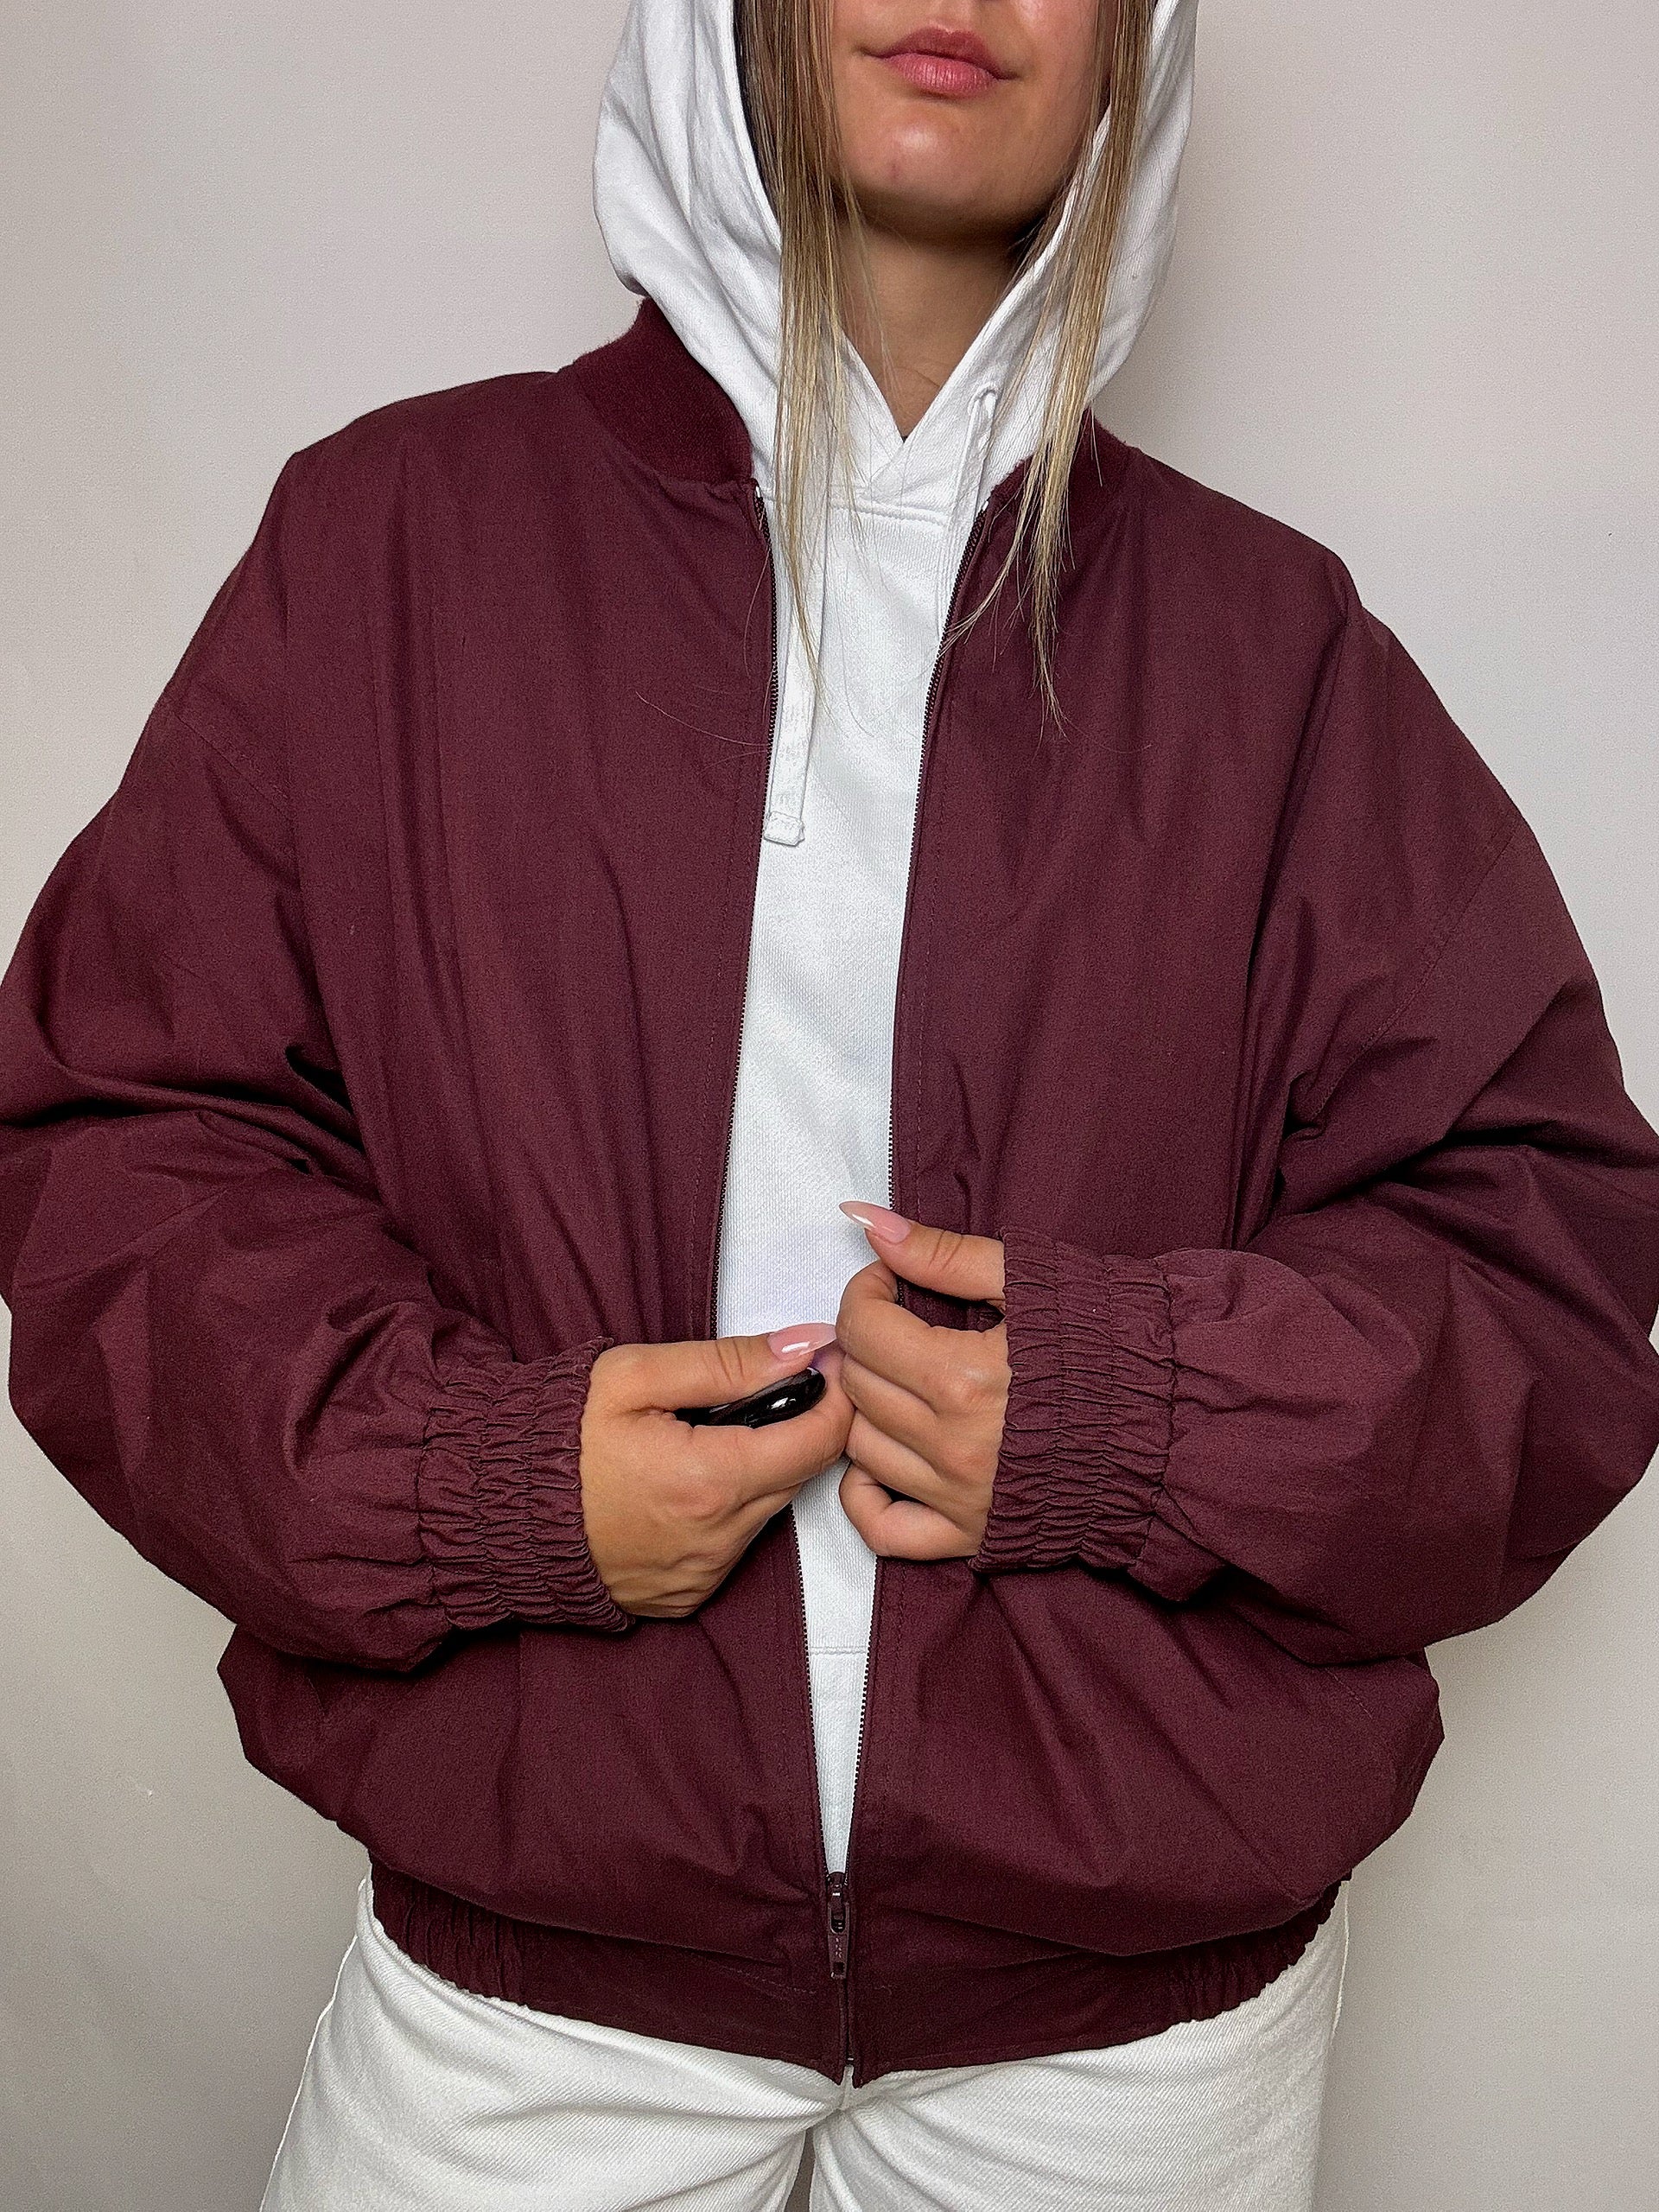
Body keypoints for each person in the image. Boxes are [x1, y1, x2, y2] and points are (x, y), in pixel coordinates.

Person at [2, 0, 1656, 2205]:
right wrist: (484, 1482)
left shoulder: (1278, 660)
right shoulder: (389, 550)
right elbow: (127, 1154)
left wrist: (1136, 1413)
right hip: (537, 1991)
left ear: (1137, 43)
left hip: (1128, 2047)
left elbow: (1542, 1274)